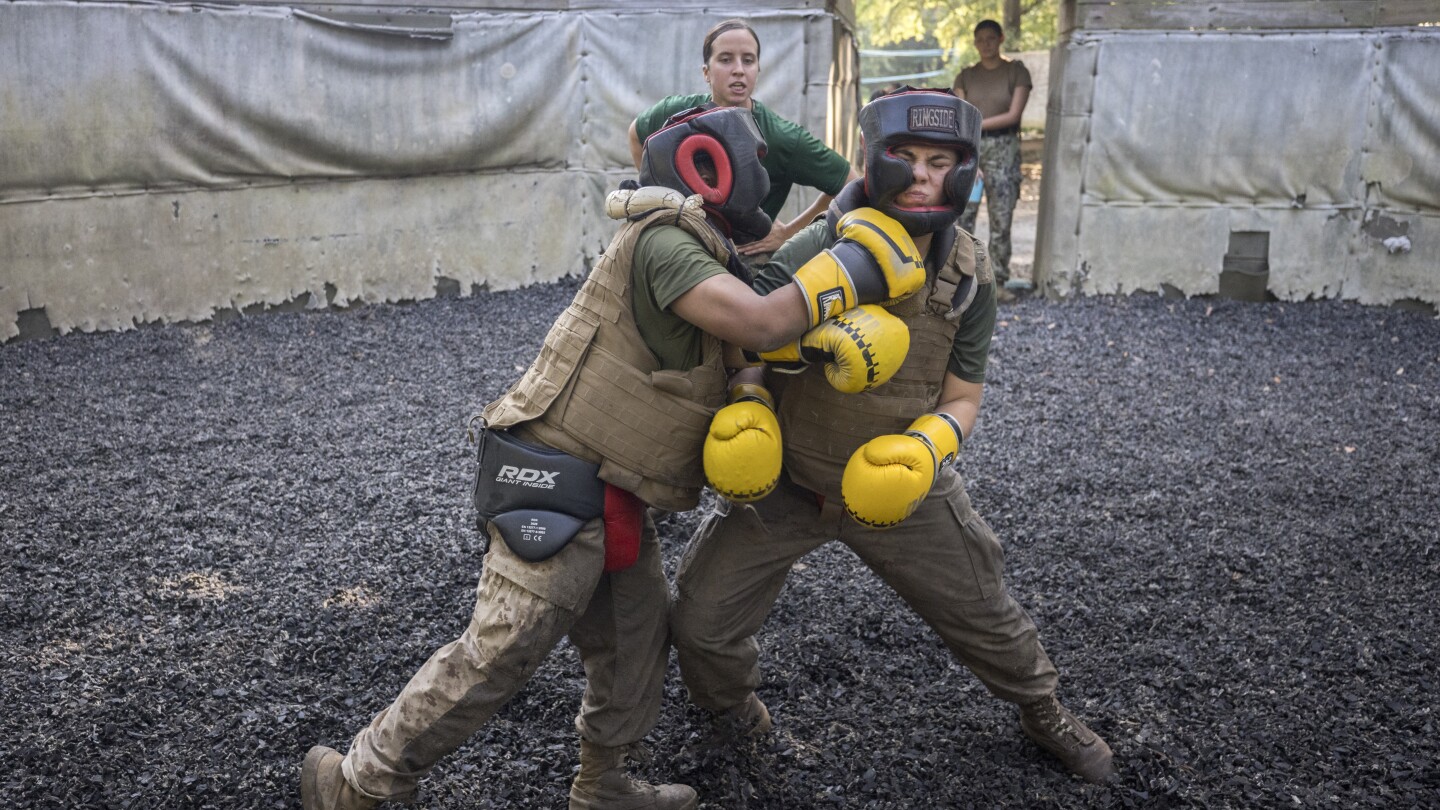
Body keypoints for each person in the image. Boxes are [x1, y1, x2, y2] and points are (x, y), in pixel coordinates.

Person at [300, 105, 928, 810]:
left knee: (635, 642)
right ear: (708, 165)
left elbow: (766, 286)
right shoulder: (664, 242)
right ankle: (359, 782)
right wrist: (856, 267)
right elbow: (760, 319)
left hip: (619, 487)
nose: (770, 177)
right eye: (760, 162)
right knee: (504, 648)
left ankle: (603, 787)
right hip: (557, 477)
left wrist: (854, 202)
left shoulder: (706, 245)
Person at [670, 89, 1116, 786]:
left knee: (988, 613)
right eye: (904, 157)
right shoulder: (823, 242)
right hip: (789, 482)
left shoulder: (967, 274)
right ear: (874, 161)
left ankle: (1041, 706)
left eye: (941, 161)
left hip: (903, 489)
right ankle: (733, 714)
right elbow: (749, 338)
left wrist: (929, 448)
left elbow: (964, 396)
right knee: (699, 620)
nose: (921, 175)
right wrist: (750, 401)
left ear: (964, 170)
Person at [628, 19, 857, 258]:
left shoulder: (780, 137)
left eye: (748, 60)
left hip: (740, 261)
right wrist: (657, 195)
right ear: (706, 72)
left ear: (757, 70)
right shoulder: (674, 114)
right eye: (726, 59)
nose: (739, 69)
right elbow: (636, 134)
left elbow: (850, 183)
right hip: (676, 245)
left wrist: (788, 233)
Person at [953, 19, 1032, 295]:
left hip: (1004, 149)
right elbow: (961, 115)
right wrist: (969, 143)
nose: (985, 44)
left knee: (1001, 216)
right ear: (975, 43)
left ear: (1000, 39)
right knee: (964, 216)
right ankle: (962, 279)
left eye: (990, 38)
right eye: (979, 39)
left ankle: (997, 281)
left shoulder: (1016, 72)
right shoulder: (965, 76)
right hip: (971, 149)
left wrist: (977, 123)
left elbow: (1014, 114)